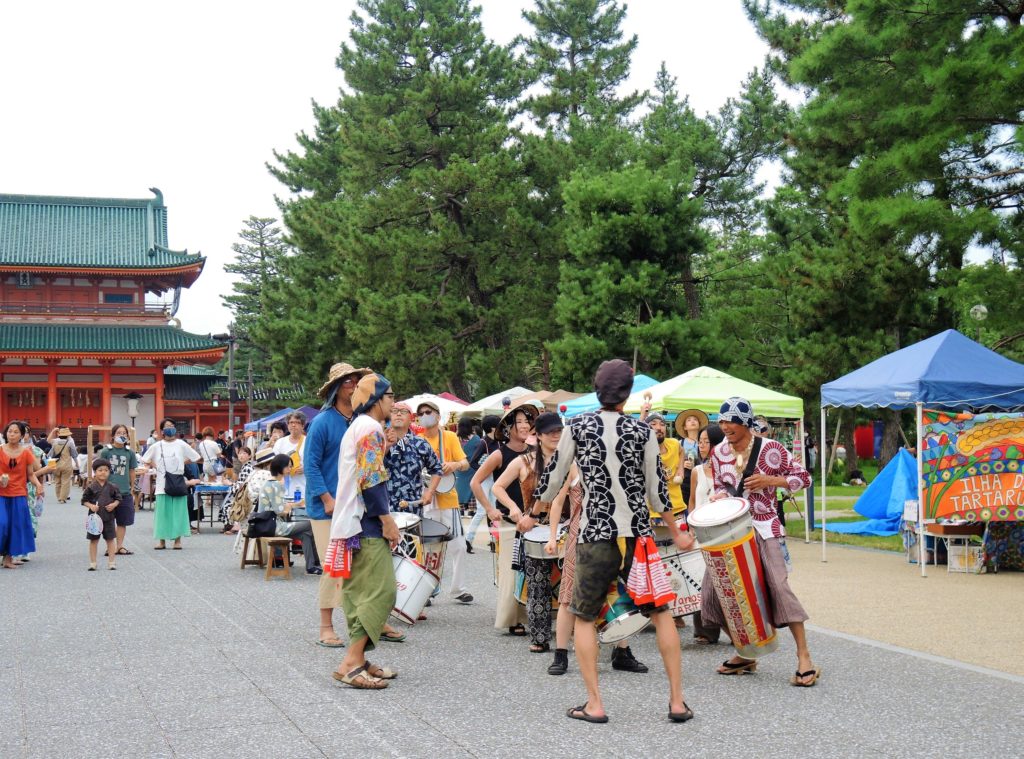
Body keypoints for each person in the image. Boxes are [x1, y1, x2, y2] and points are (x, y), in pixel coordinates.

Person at [536, 359, 695, 724]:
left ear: (597, 390)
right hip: (638, 536)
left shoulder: (578, 426)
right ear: (627, 395)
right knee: (661, 611)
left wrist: (537, 510)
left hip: (595, 533)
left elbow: (554, 476)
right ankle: (676, 702)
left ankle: (595, 704)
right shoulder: (642, 433)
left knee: (585, 616)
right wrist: (678, 531)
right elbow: (658, 493)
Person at [703, 396, 820, 687]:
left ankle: (804, 657)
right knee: (713, 592)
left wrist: (772, 481)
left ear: (745, 423)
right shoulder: (718, 453)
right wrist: (717, 496)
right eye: (722, 421)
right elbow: (720, 485)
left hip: (766, 525)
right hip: (730, 530)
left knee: (779, 586)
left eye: (730, 421)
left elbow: (803, 477)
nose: (725, 426)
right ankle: (745, 653)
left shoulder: (772, 449)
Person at [324, 373, 400, 689]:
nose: (394, 403)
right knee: (382, 591)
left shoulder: (355, 426)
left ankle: (359, 659)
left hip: (348, 521)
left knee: (357, 594)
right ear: (377, 399)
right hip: (365, 522)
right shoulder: (371, 429)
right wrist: (387, 520)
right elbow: (371, 479)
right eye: (391, 396)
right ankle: (352, 662)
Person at [305, 362, 371, 648]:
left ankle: (367, 622)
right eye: (347, 381)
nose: (353, 383)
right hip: (327, 506)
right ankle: (325, 626)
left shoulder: (361, 420)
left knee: (362, 564)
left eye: (356, 379)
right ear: (335, 388)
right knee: (334, 565)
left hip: (355, 502)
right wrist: (327, 498)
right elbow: (310, 465)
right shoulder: (322, 422)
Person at [471, 403, 538, 636]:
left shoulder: (537, 453)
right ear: (508, 428)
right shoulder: (499, 453)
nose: (524, 426)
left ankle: (538, 614)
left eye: (527, 422)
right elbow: (475, 482)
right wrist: (490, 509)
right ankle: (513, 618)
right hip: (510, 522)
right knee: (511, 571)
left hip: (535, 520)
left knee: (535, 569)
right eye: (519, 422)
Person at [415, 400, 472, 604]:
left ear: (438, 416)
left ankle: (458, 589)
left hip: (448, 498)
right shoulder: (417, 440)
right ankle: (427, 589)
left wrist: (454, 464)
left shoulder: (449, 437)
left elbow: (465, 463)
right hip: (427, 498)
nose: (424, 415)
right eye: (420, 413)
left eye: (428, 412)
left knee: (458, 545)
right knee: (429, 547)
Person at [687, 423, 726, 645]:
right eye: (700, 441)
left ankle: (731, 628)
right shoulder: (696, 471)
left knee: (722, 580)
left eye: (706, 441)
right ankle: (704, 630)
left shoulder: (728, 470)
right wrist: (690, 524)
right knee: (700, 579)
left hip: (720, 529)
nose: (702, 445)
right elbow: (692, 501)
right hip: (700, 531)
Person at [140, 418, 200, 550]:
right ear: (162, 431)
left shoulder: (181, 444)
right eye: (167, 426)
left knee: (178, 512)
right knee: (162, 514)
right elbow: (145, 459)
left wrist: (181, 464)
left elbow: (196, 457)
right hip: (162, 484)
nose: (170, 428)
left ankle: (177, 540)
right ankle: (161, 541)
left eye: (172, 425)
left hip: (178, 482)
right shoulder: (156, 445)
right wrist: (157, 467)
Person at [259, 454, 320, 575]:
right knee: (310, 525)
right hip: (274, 526)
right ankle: (315, 563)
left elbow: (278, 506)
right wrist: (295, 505)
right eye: (288, 467)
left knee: (305, 533)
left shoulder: (270, 483)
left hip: (268, 524)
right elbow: (280, 510)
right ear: (281, 467)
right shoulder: (276, 485)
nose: (290, 470)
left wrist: (293, 504)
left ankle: (312, 565)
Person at [384, 402, 442, 516]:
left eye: (404, 411)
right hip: (384, 510)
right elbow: (371, 468)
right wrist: (387, 446)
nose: (399, 414)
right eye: (394, 411)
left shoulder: (420, 444)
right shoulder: (379, 439)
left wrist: (429, 492)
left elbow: (437, 468)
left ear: (411, 418)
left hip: (412, 510)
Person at [1, 420, 42, 569]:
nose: (11, 434)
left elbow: (30, 474)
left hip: (18, 493)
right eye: (9, 431)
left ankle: (8, 558)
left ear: (22, 435)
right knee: (2, 523)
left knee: (15, 526)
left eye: (15, 432)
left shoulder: (26, 452)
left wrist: (38, 485)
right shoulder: (0, 450)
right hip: (1, 493)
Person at [99, 423, 139, 556]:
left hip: (125, 491)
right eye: (119, 433)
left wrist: (132, 487)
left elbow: (132, 470)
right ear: (113, 436)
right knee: (108, 520)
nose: (122, 435)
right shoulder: (106, 451)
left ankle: (119, 546)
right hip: (108, 492)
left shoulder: (130, 453)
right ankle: (110, 546)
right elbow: (100, 470)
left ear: (127, 436)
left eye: (124, 433)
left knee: (123, 521)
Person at [465, 414, 500, 552]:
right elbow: (472, 462)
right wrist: (484, 471)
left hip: (495, 479)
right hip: (483, 480)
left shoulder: (498, 442)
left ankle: (494, 539)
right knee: (481, 510)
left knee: (495, 509)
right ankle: (468, 538)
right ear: (492, 428)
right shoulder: (483, 442)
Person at [82, 459, 120, 571]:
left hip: (109, 517)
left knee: (110, 539)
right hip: (94, 518)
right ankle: (93, 562)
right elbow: (84, 500)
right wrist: (91, 506)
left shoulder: (113, 486)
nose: (103, 472)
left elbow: (118, 498)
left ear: (109, 472)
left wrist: (114, 504)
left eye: (106, 470)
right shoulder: (91, 487)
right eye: (100, 470)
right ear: (95, 472)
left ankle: (112, 562)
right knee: (93, 540)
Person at [272, 411, 308, 501]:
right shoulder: (280, 443)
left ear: (303, 426)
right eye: (291, 422)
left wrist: (305, 468)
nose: (293, 425)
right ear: (287, 425)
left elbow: (317, 462)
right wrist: (285, 469)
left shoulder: (309, 442)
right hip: (283, 489)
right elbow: (273, 464)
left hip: (303, 488)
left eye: (297, 423)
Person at [221, 444, 254, 533]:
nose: (241, 455)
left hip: (246, 497)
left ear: (249, 456)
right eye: (239, 453)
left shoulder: (247, 467)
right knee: (226, 503)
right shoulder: (246, 466)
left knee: (228, 504)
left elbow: (240, 486)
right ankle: (229, 526)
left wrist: (229, 483)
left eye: (244, 453)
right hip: (246, 495)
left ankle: (232, 526)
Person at [455, 416, 481, 520]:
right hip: (472, 468)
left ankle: (461, 510)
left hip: (459, 467)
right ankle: (471, 511)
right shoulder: (476, 439)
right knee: (472, 489)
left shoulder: (456, 439)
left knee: (459, 489)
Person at [47, 426, 77, 503]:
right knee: (65, 482)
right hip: (66, 464)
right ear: (67, 435)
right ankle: (62, 498)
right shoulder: (70, 443)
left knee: (57, 482)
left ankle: (58, 497)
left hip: (56, 465)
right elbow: (74, 455)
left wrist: (53, 431)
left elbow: (48, 440)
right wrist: (77, 464)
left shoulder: (55, 442)